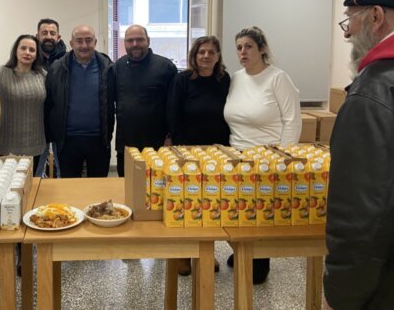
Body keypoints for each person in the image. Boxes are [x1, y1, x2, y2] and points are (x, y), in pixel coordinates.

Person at [323, 0, 394, 310]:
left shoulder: (375, 91)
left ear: (376, 17)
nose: (347, 35)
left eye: (350, 21)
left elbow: (362, 214)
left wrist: (340, 293)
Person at [224, 26, 301, 284]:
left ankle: (259, 263)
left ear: (262, 49)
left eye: (248, 46)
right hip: (236, 155)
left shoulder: (277, 78)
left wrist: (283, 158)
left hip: (267, 159)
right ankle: (241, 252)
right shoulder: (236, 78)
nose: (242, 52)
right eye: (239, 47)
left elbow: (292, 121)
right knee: (238, 211)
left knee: (260, 214)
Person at [166, 35, 229, 276]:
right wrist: (180, 147)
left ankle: (207, 252)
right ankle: (184, 253)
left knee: (210, 204)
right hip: (187, 151)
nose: (206, 56)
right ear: (194, 55)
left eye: (211, 52)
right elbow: (172, 113)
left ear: (218, 56)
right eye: (202, 52)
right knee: (185, 202)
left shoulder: (224, 80)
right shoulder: (182, 80)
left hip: (216, 153)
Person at [44, 24, 114, 178]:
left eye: (88, 40)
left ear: (95, 42)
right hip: (67, 140)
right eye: (79, 41)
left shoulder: (108, 67)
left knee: (99, 185)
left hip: (99, 140)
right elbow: (49, 104)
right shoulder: (57, 68)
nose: (84, 45)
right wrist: (50, 137)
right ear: (71, 43)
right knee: (69, 186)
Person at [111, 25, 177, 177]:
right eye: (130, 40)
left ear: (148, 40)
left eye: (139, 39)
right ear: (125, 43)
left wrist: (170, 137)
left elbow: (174, 107)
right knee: (126, 185)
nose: (135, 44)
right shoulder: (117, 67)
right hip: (127, 146)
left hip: (159, 146)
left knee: (158, 185)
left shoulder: (165, 67)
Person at [0, 34, 46, 172]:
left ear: (36, 55)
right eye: (23, 48)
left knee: (32, 183)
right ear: (16, 51)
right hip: (8, 146)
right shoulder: (1, 73)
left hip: (36, 144)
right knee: (7, 183)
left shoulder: (42, 75)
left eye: (32, 50)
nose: (27, 52)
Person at [35, 18, 67, 177]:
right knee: (35, 173)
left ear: (58, 37)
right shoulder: (30, 58)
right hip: (37, 124)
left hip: (62, 124)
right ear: (37, 36)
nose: (48, 36)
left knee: (65, 172)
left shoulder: (67, 60)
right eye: (44, 33)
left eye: (52, 33)